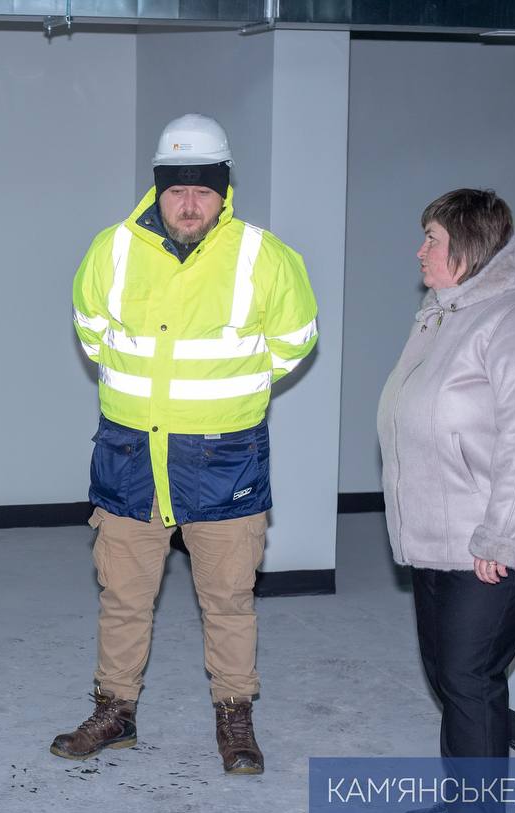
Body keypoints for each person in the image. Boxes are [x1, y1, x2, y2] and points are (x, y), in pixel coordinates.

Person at [54, 114, 318, 774]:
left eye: (204, 190)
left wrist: (227, 391)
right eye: (178, 190)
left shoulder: (263, 256)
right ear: (158, 188)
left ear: (224, 191)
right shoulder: (112, 250)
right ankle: (115, 710)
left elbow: (294, 341)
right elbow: (92, 331)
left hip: (224, 460)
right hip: (129, 457)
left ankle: (235, 715)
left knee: (228, 600)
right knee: (123, 596)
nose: (191, 203)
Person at [377, 189, 515, 813]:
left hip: (500, 530)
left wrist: (503, 538)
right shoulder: (448, 310)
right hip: (442, 527)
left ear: (468, 246)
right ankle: (472, 802)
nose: (420, 252)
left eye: (431, 238)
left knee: (468, 675)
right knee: (448, 671)